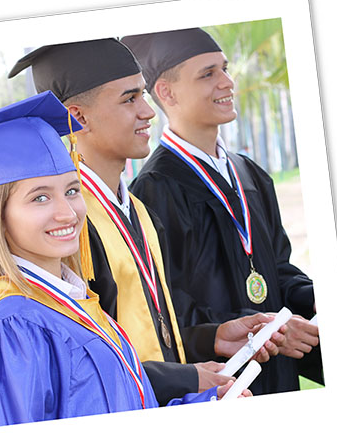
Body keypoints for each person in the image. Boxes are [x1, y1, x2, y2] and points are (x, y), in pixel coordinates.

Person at [0, 91, 252, 429]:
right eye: (40, 197)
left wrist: (204, 405)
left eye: (72, 190)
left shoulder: (81, 304)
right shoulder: (12, 327)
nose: (67, 212)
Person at [8, 39, 285, 404]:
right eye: (129, 99)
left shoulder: (137, 209)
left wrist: (210, 336)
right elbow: (81, 360)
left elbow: (150, 329)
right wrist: (184, 378)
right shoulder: (68, 227)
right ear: (78, 117)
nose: (149, 111)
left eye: (143, 95)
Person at [121, 28, 322, 394]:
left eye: (224, 69)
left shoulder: (251, 174)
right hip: (222, 381)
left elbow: (275, 269)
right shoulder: (155, 189)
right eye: (208, 74)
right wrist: (256, 328)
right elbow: (169, 309)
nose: (228, 82)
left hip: (279, 370)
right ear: (166, 92)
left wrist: (316, 297)